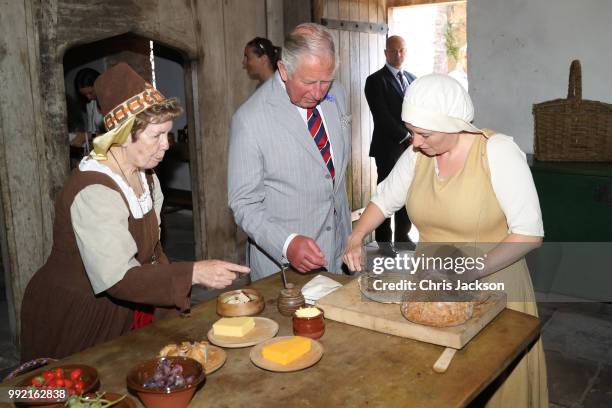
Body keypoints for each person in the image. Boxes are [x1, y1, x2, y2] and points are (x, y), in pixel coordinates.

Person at [21, 63, 249, 361]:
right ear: (123, 135)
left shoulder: (147, 176)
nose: (166, 145)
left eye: (167, 134)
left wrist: (173, 313)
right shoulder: (95, 191)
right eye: (157, 135)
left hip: (126, 304)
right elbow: (118, 279)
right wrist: (192, 272)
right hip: (79, 314)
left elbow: (152, 254)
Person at [343, 74, 548, 407]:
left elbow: (529, 233)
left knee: (490, 387)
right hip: (431, 286)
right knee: (436, 387)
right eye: (411, 132)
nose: (415, 142)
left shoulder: (497, 152)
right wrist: (356, 236)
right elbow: (384, 199)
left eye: (424, 133)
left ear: (454, 125)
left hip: (493, 286)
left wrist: (467, 272)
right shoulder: (417, 156)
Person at [228, 23, 351, 280]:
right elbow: (244, 204)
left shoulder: (337, 94)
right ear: (283, 70)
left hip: (339, 254)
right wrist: (287, 243)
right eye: (308, 82)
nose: (318, 93)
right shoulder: (250, 119)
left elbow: (332, 179)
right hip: (284, 271)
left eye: (325, 81)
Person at [364, 35, 416, 246]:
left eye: (402, 50)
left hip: (411, 148)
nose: (398, 54)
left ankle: (403, 238)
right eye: (393, 51)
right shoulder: (375, 81)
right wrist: (406, 136)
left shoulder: (413, 79)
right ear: (385, 53)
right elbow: (381, 116)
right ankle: (384, 242)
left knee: (407, 192)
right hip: (388, 148)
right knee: (387, 193)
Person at [73, 67, 105, 139]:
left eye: (90, 93)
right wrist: (87, 136)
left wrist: (87, 136)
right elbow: (93, 132)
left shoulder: (111, 98)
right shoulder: (90, 105)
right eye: (84, 95)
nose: (88, 98)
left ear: (99, 84)